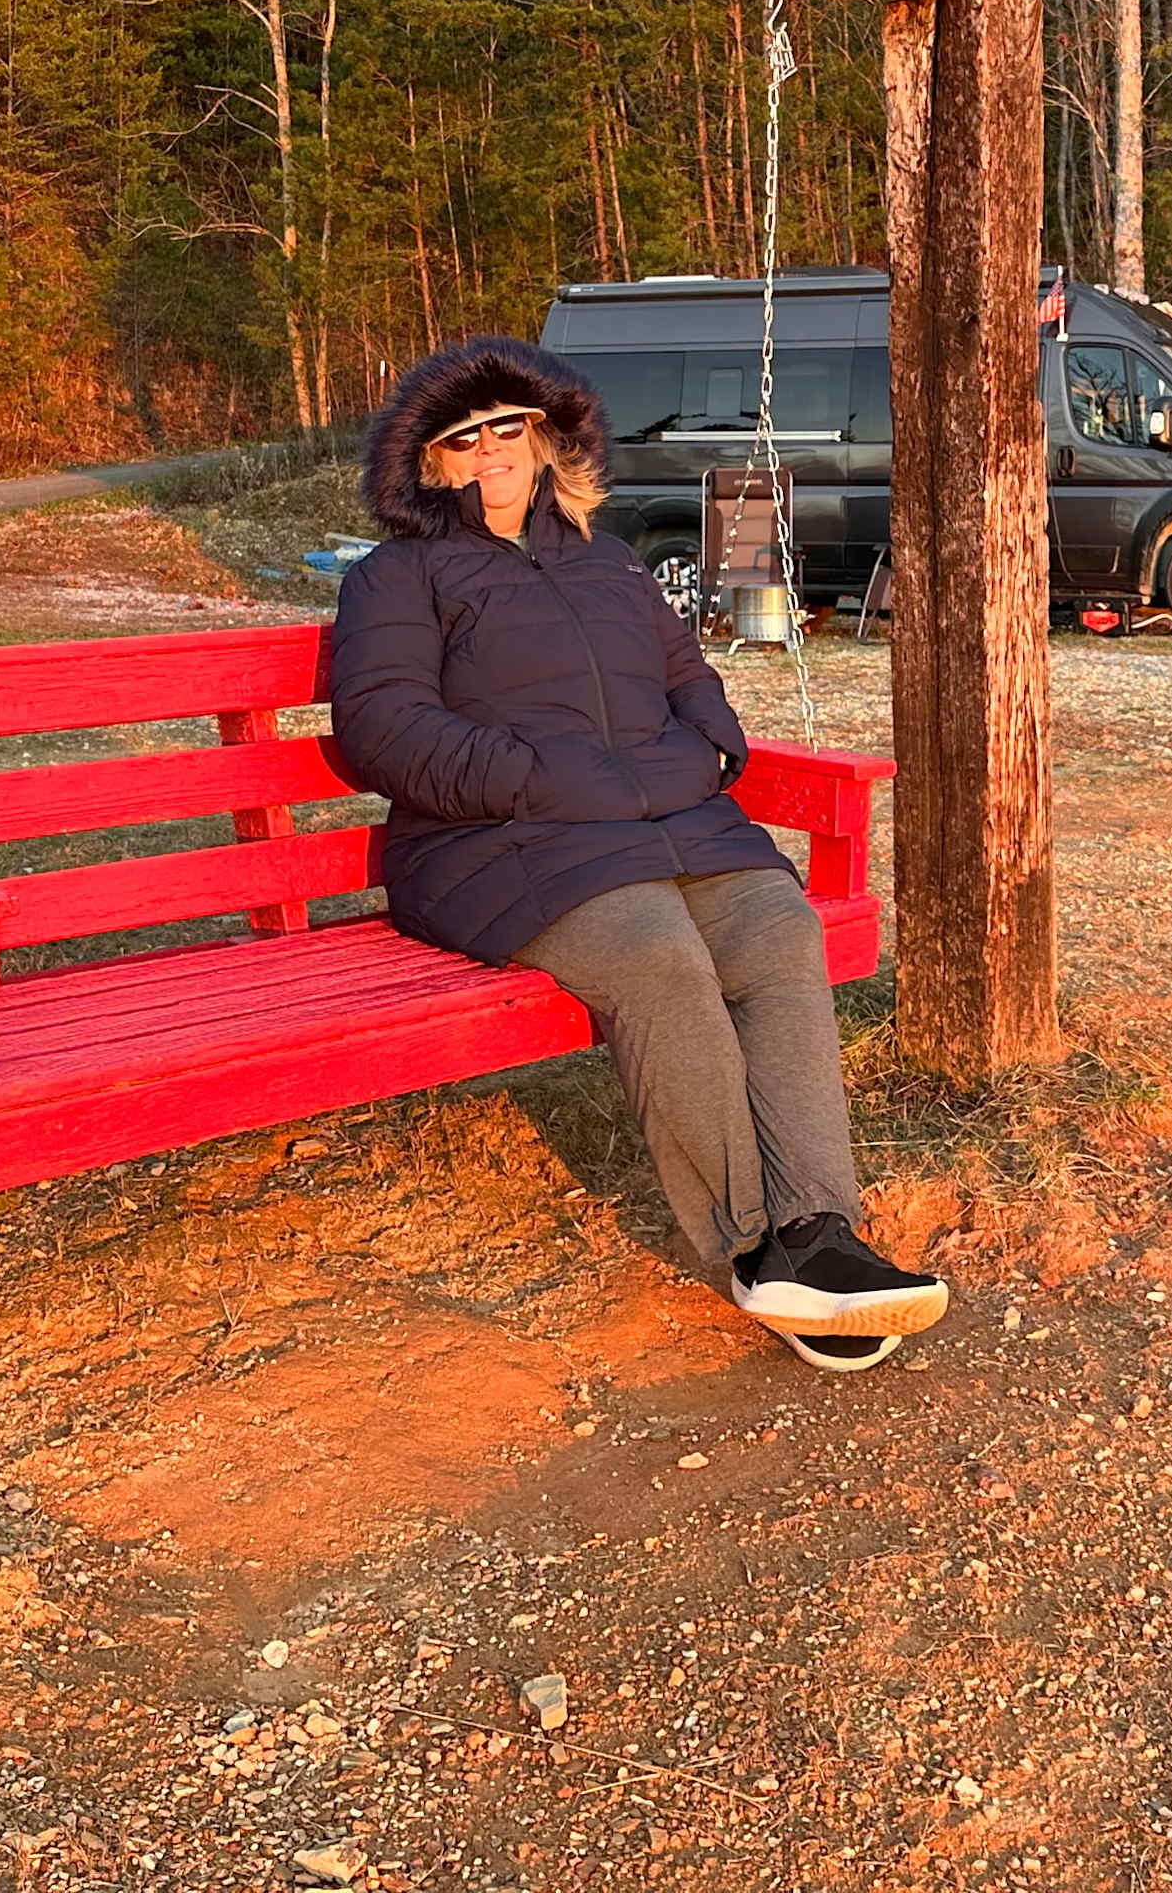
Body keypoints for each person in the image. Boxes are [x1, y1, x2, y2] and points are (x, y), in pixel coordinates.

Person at [328, 333, 950, 1373]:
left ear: (545, 440)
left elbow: (682, 669)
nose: (493, 457)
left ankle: (821, 1231)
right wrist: (529, 777)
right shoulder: (400, 579)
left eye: (510, 432)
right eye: (466, 440)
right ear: (432, 463)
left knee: (778, 931)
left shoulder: (607, 560)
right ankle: (753, 1244)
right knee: (658, 955)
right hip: (496, 841)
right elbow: (384, 727)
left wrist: (716, 737)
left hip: (664, 820)